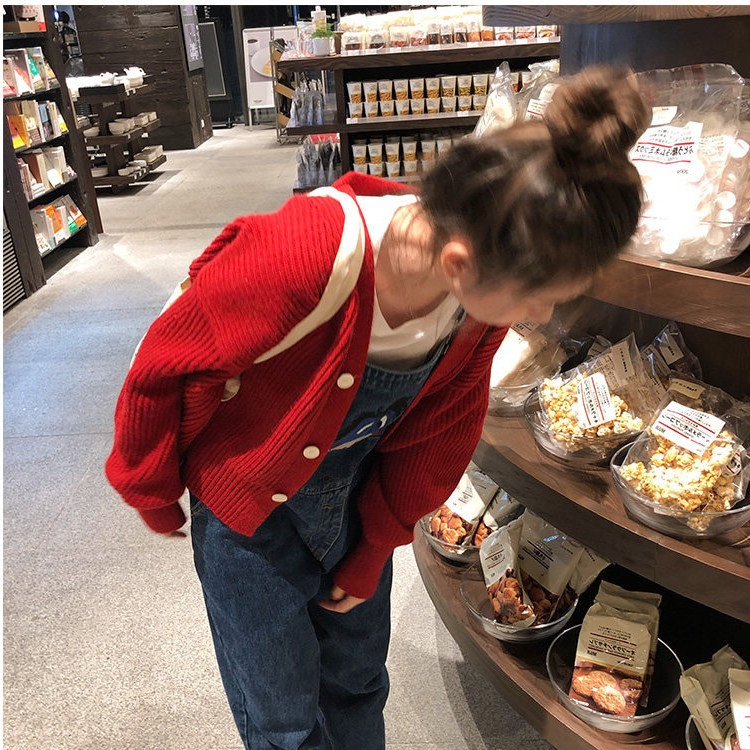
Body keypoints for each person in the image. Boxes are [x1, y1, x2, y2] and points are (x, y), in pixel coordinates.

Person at [106, 66, 649, 750]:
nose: (541, 316)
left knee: (359, 680)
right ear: (460, 262)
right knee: (282, 712)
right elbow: (167, 359)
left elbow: (439, 433)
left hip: (354, 506)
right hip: (245, 517)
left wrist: (376, 545)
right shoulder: (302, 254)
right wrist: (149, 482)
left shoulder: (471, 309)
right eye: (539, 296)